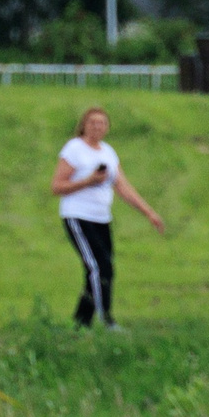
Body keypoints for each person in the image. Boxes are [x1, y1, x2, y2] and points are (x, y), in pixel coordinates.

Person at [49, 106, 165, 330]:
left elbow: (123, 186)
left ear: (107, 127)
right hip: (78, 216)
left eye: (102, 123)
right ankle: (107, 320)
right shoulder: (74, 149)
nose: (97, 127)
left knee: (104, 267)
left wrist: (149, 212)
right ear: (84, 125)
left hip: (102, 218)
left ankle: (81, 323)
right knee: (98, 268)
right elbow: (57, 186)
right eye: (92, 123)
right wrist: (88, 181)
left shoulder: (107, 152)